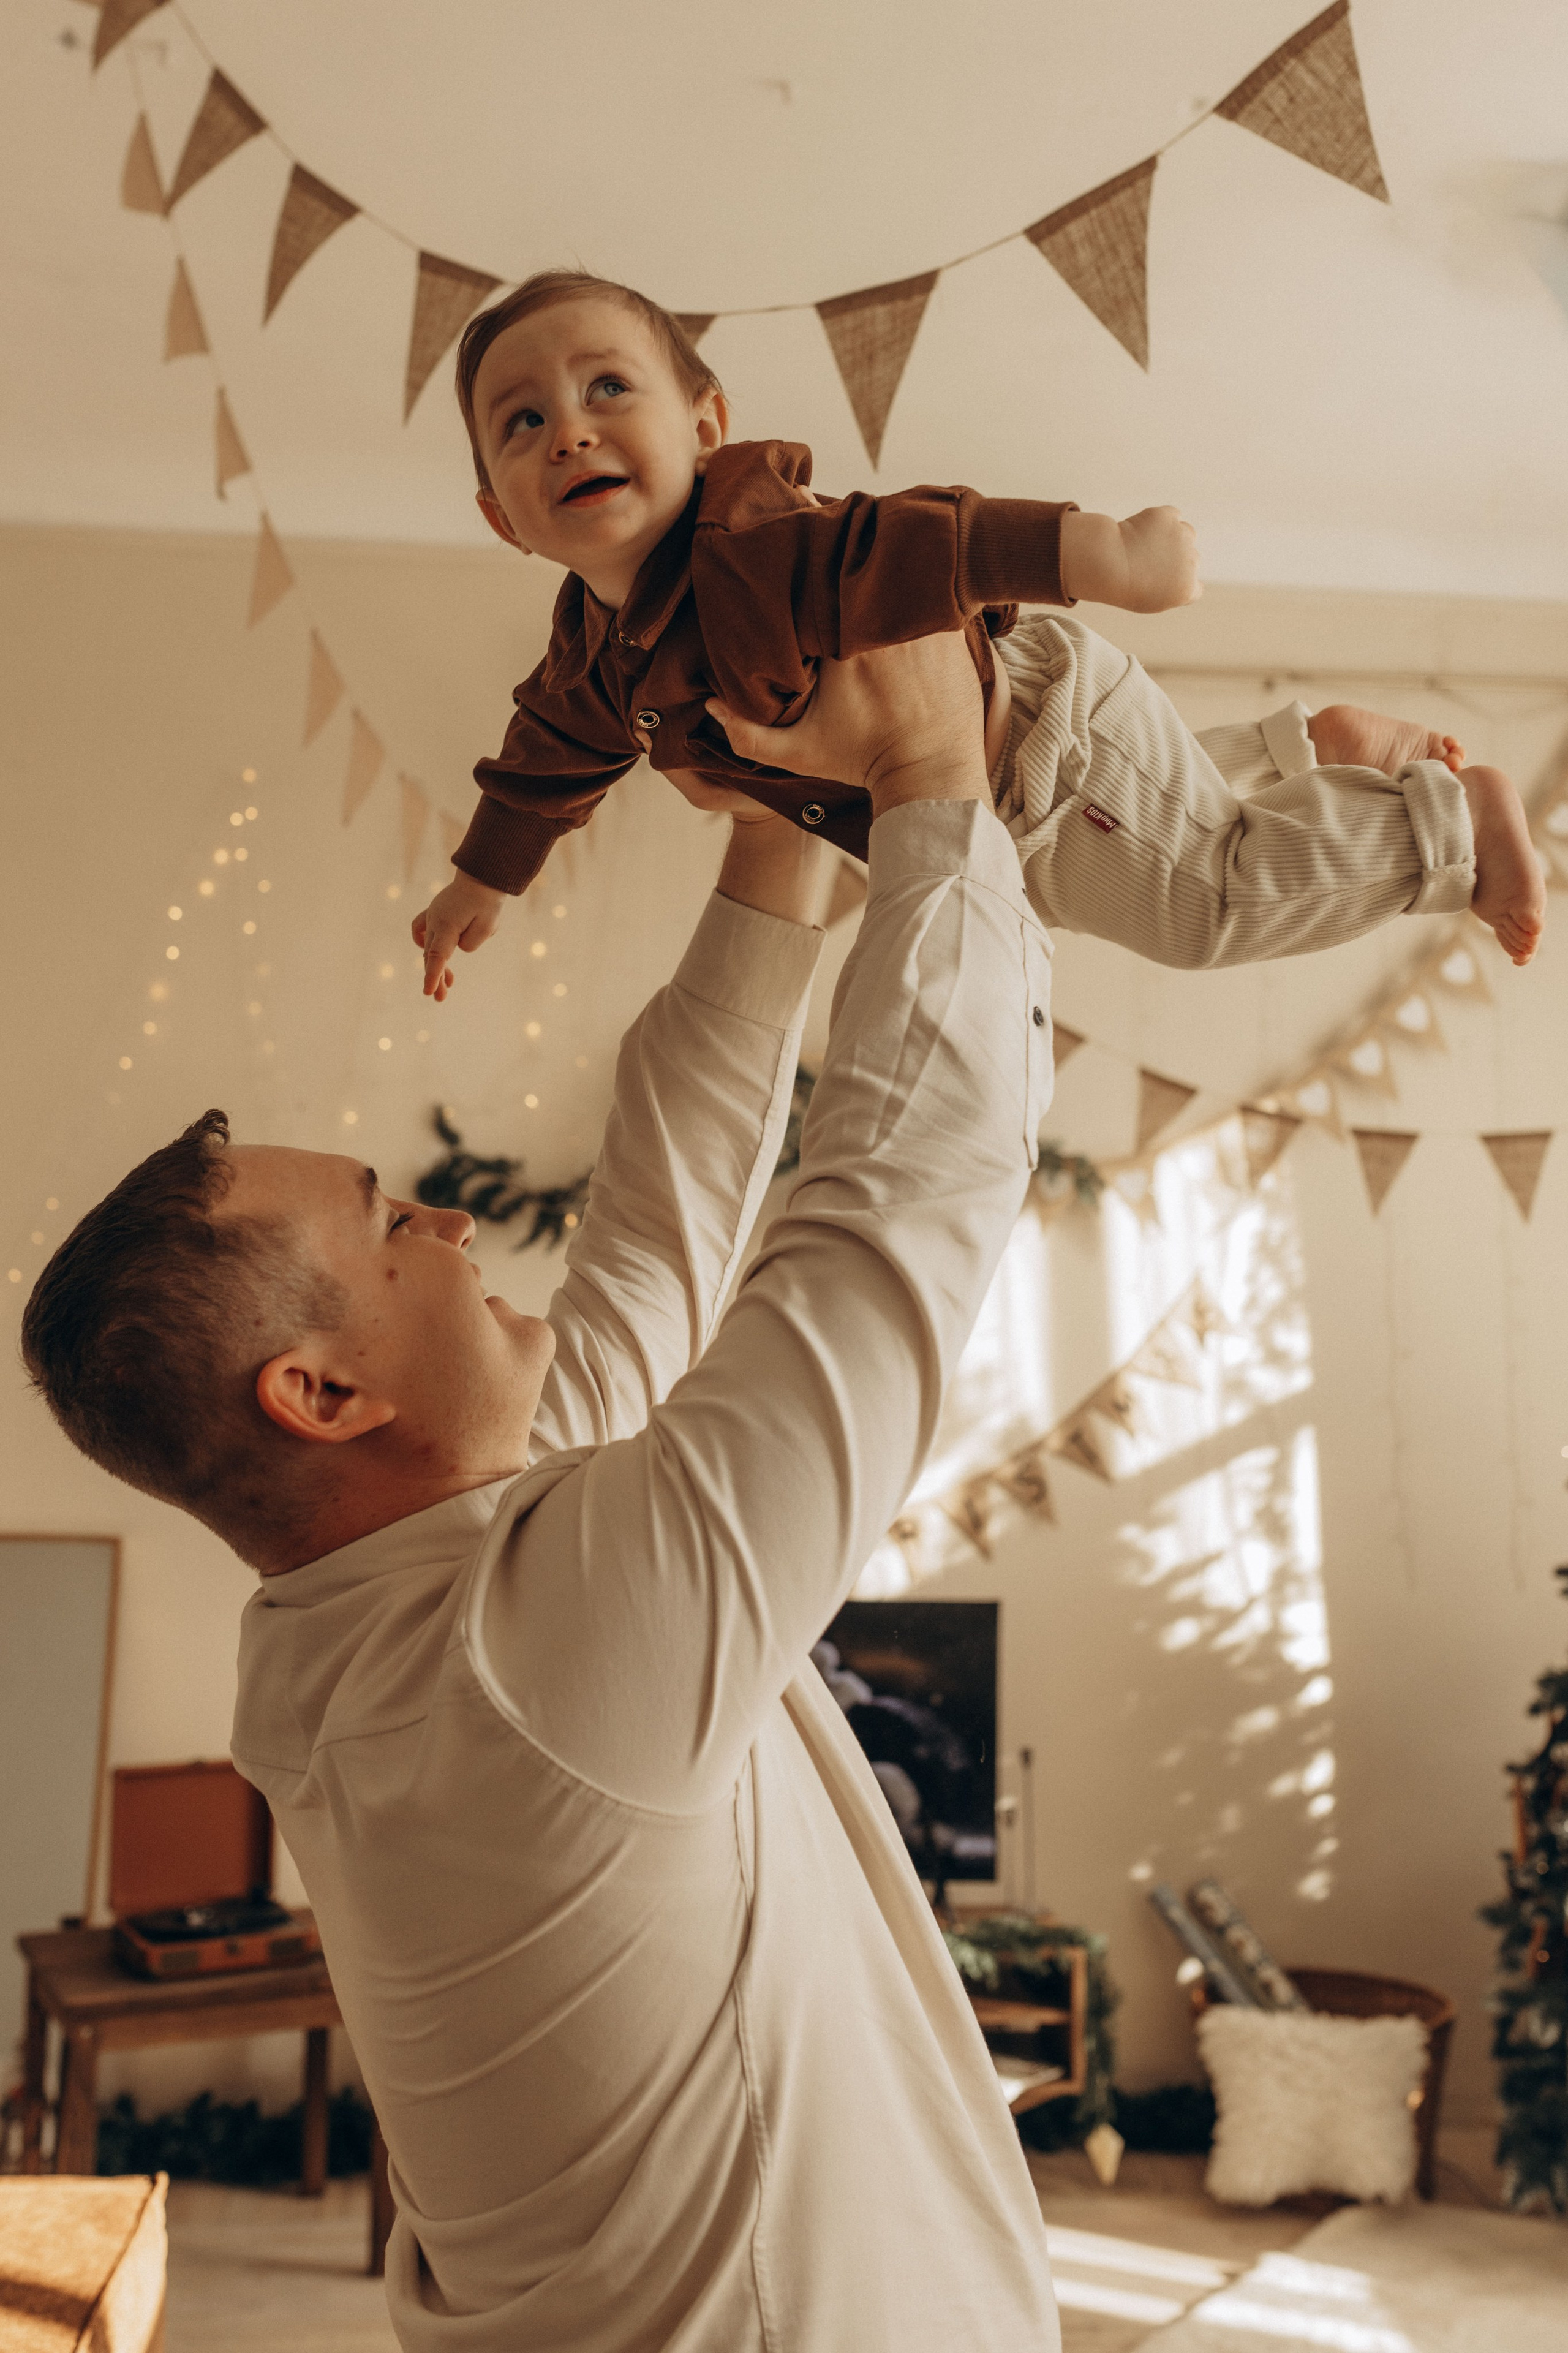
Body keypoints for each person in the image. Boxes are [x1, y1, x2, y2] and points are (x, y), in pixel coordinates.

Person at [23, 632, 1066, 2349]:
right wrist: (929, 777)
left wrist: (777, 833)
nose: (446, 1221)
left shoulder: (364, 1615)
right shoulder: (531, 1661)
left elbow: (655, 1239)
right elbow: (895, 1211)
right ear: (322, 1393)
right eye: (390, 1223)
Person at [411, 268, 1543, 1000]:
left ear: (707, 425)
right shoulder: (589, 659)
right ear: (502, 517)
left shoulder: (750, 542)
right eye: (524, 420)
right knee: (1151, 854)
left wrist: (1103, 556)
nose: (569, 432)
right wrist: (481, 882)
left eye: (608, 388)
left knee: (1207, 904)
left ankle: (1451, 828)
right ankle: (1308, 749)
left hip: (1042, 747)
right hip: (999, 795)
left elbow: (924, 542)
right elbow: (541, 768)